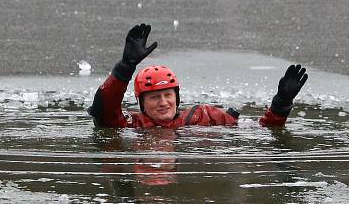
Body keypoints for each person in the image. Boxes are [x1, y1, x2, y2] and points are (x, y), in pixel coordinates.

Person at [88, 23, 308, 129]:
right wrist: (125, 67)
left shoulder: (204, 116)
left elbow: (264, 130)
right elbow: (103, 110)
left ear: (177, 97)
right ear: (141, 103)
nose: (164, 102)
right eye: (155, 97)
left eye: (167, 95)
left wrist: (282, 102)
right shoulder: (132, 125)